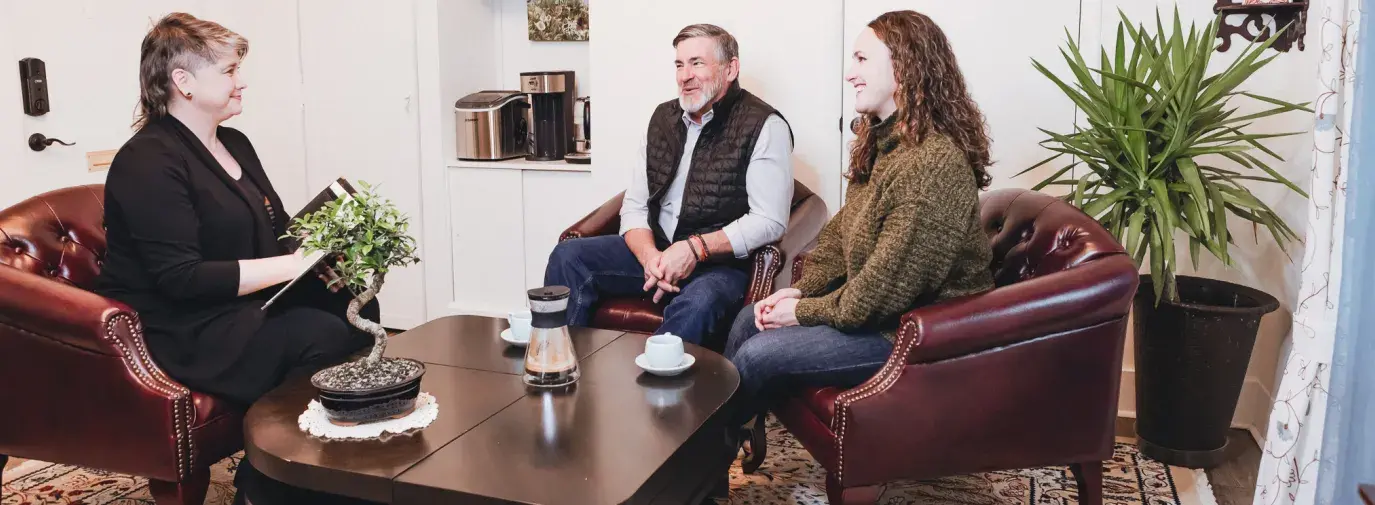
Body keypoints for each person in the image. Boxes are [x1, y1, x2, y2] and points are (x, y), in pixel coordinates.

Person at [95, 13, 377, 505]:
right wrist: (292, 266)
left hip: (238, 306)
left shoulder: (235, 144)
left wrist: (330, 247)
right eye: (228, 71)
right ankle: (267, 482)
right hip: (179, 327)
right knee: (320, 336)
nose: (240, 81)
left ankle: (339, 464)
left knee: (357, 306)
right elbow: (181, 279)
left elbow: (280, 231)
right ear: (183, 82)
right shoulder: (147, 160)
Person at [722, 10, 997, 472]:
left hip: (913, 333)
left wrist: (803, 311)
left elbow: (880, 295)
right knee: (751, 318)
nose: (850, 72)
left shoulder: (931, 165)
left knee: (760, 352)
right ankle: (719, 444)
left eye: (862, 58)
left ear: (905, 67)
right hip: (885, 315)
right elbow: (841, 234)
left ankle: (703, 459)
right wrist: (800, 290)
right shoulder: (886, 143)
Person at [544, 23, 794, 346]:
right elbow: (634, 204)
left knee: (699, 306)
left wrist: (695, 249)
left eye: (697, 63)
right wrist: (651, 258)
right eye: (679, 64)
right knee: (567, 257)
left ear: (731, 69)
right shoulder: (663, 119)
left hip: (717, 266)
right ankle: (559, 369)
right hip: (657, 250)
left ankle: (648, 394)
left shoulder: (764, 125)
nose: (684, 76)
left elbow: (769, 220)